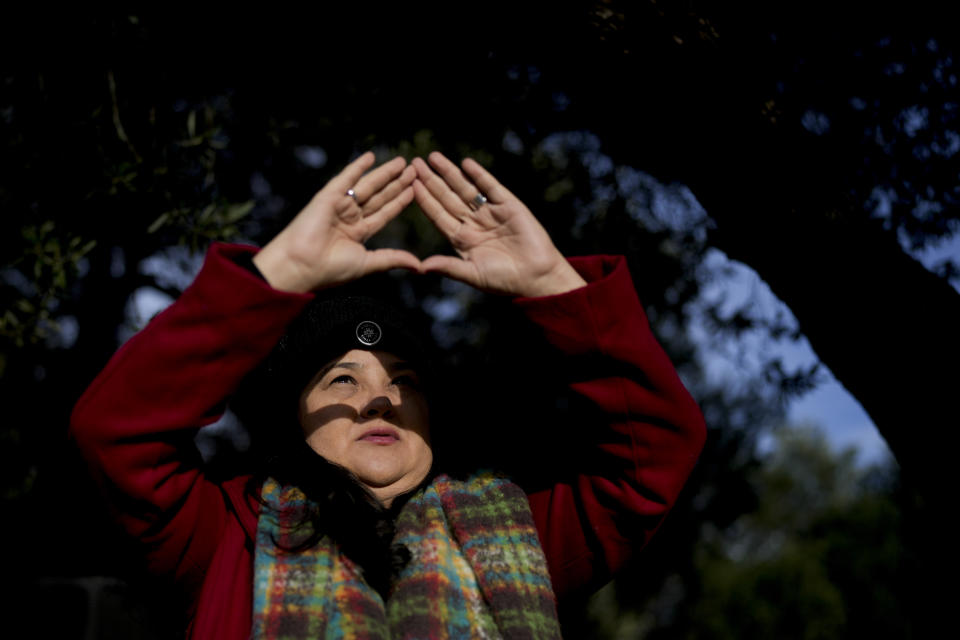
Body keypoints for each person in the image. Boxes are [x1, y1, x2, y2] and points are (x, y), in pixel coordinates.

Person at [70, 151, 706, 639]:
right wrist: (277, 278)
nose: (381, 400)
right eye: (343, 379)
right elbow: (118, 431)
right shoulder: (221, 537)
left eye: (404, 383)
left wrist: (553, 286)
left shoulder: (524, 535)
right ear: (295, 419)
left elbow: (652, 452)